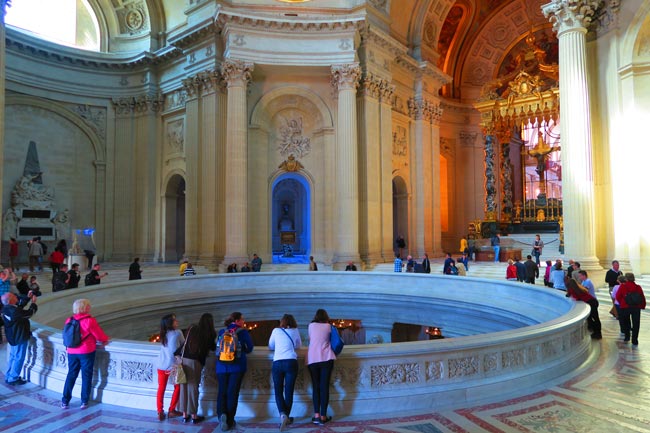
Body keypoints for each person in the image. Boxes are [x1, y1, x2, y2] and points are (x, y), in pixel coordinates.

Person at [61, 298, 110, 409]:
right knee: (86, 376)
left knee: (71, 375)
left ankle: (65, 401)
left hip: (71, 351)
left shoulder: (69, 320)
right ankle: (84, 401)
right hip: (85, 351)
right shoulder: (89, 320)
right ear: (84, 307)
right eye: (88, 305)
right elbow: (99, 336)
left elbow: (66, 335)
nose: (90, 307)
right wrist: (105, 340)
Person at [216, 312, 253, 431]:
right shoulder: (242, 332)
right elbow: (250, 347)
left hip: (221, 366)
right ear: (237, 321)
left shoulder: (222, 332)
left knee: (222, 392)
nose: (243, 321)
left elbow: (217, 347)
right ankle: (230, 421)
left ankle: (222, 415)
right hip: (237, 366)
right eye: (242, 319)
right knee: (233, 393)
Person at [179, 313, 216, 424]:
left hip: (184, 359)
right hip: (195, 362)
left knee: (183, 387)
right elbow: (213, 348)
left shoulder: (193, 328)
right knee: (193, 388)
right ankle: (194, 416)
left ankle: (184, 415)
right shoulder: (209, 333)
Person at [268, 314, 302, 431]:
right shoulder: (295, 330)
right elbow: (299, 345)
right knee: (289, 391)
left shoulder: (276, 331)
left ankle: (283, 415)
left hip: (277, 362)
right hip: (291, 361)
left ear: (282, 322)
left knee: (278, 390)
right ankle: (286, 416)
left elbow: (270, 346)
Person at [307, 309, 337, 426]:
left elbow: (311, 339)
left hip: (312, 359)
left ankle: (316, 415)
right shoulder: (329, 326)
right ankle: (324, 416)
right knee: (324, 387)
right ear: (326, 317)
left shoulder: (310, 326)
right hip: (326, 358)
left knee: (315, 386)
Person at [1, 291, 37, 385]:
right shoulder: (13, 311)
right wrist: (33, 303)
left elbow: (19, 309)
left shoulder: (6, 309)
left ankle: (9, 375)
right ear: (10, 300)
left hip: (12, 336)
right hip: (19, 336)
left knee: (13, 356)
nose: (16, 297)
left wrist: (28, 298)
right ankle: (13, 378)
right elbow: (29, 313)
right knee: (19, 357)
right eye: (14, 296)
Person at [155, 313, 184, 421]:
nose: (177, 322)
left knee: (161, 388)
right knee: (178, 387)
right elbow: (184, 345)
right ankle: (171, 410)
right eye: (175, 320)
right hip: (174, 366)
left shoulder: (163, 334)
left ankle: (160, 411)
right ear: (170, 323)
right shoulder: (178, 333)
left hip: (161, 365)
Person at [615, 273, 646, 346]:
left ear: (626, 278)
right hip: (636, 307)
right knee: (636, 323)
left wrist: (622, 303)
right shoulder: (638, 287)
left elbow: (618, 296)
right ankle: (635, 340)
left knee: (626, 322)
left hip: (625, 307)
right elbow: (642, 297)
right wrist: (642, 306)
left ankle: (627, 337)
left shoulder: (623, 286)